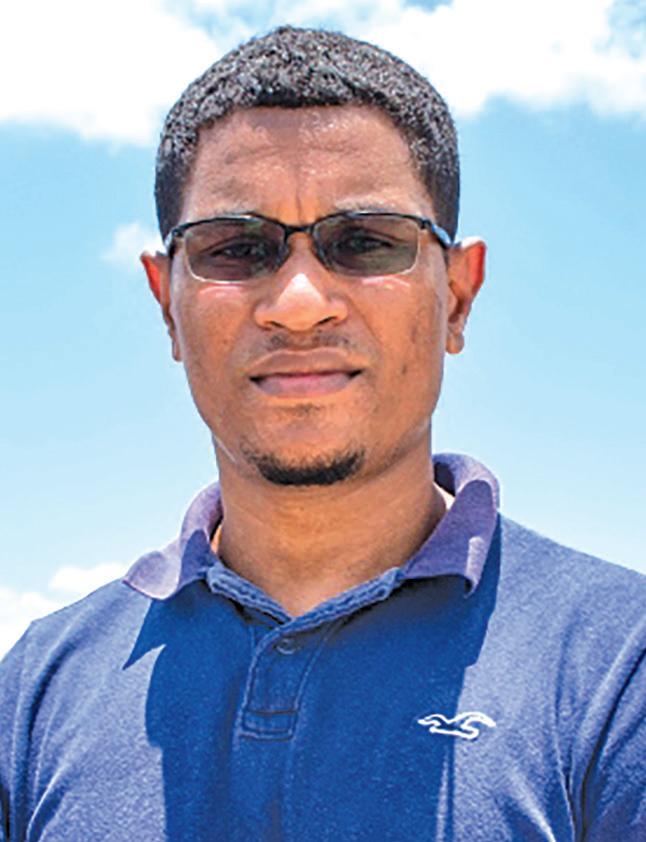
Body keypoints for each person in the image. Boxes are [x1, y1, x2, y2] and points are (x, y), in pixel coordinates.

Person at [1, 25, 644, 842]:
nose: (299, 303)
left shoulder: (619, 669)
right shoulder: (37, 690)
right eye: (238, 248)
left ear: (458, 296)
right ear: (166, 304)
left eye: (365, 241)